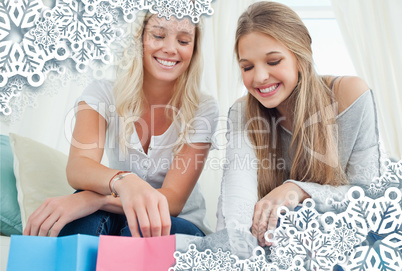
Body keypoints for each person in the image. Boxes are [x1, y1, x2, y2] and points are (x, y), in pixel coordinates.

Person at [23, 11, 218, 238]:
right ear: (139, 38)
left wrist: (92, 198)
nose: (171, 48)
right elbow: (79, 166)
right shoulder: (102, 93)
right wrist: (124, 182)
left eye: (183, 41)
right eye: (158, 35)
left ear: (193, 49)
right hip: (114, 210)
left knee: (137, 232)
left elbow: (173, 200)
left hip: (178, 221)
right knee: (83, 221)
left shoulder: (203, 108)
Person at [216, 1, 381, 248]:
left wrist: (297, 190)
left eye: (273, 62)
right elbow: (236, 202)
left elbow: (370, 198)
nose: (259, 77)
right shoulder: (242, 112)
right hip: (279, 245)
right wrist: (237, 249)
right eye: (247, 67)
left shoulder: (349, 95)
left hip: (345, 241)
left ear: (301, 56)